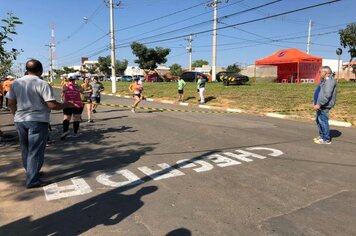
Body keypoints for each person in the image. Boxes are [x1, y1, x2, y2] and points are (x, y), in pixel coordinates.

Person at [6, 59, 74, 188]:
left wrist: (16, 115)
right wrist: (67, 104)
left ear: (27, 70)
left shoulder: (16, 83)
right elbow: (52, 105)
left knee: (25, 149)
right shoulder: (42, 84)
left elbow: (10, 103)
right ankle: (32, 180)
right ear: (41, 71)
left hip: (20, 120)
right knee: (35, 151)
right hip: (37, 120)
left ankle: (32, 172)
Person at [313, 66, 337, 145]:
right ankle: (322, 135)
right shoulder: (324, 80)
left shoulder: (329, 81)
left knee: (323, 121)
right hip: (319, 105)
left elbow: (327, 95)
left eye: (321, 72)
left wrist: (319, 103)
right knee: (318, 121)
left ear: (326, 72)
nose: (319, 73)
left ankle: (326, 139)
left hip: (324, 105)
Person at [61, 76, 84, 140]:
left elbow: (63, 92)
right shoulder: (78, 86)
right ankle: (75, 133)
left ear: (68, 79)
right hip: (78, 104)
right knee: (76, 118)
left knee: (66, 118)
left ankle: (65, 131)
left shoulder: (65, 86)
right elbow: (82, 92)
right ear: (75, 79)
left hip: (67, 104)